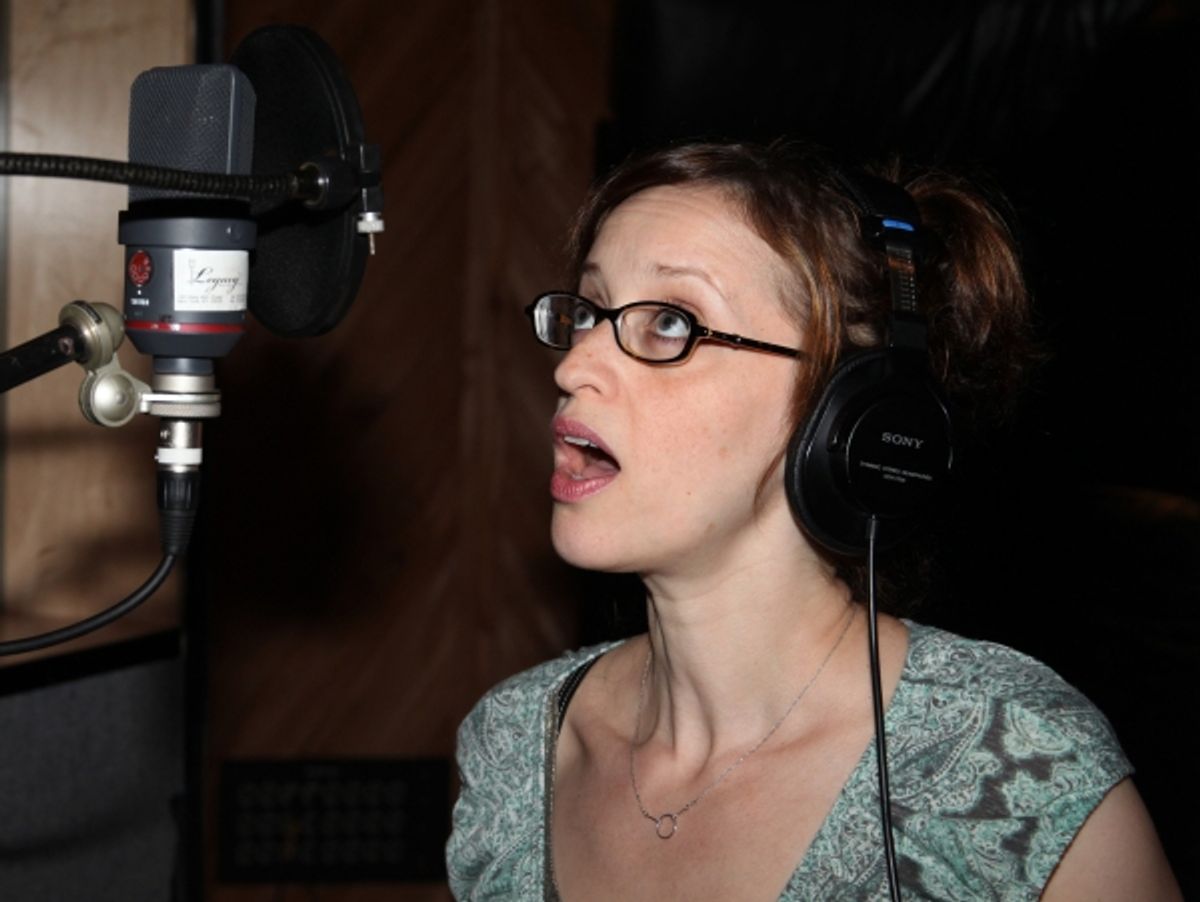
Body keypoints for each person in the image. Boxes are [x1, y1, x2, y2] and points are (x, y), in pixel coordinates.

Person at [445, 141, 1180, 900]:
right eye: (590, 313)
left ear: (848, 413)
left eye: (670, 321)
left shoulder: (1016, 761)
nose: (573, 367)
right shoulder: (514, 745)